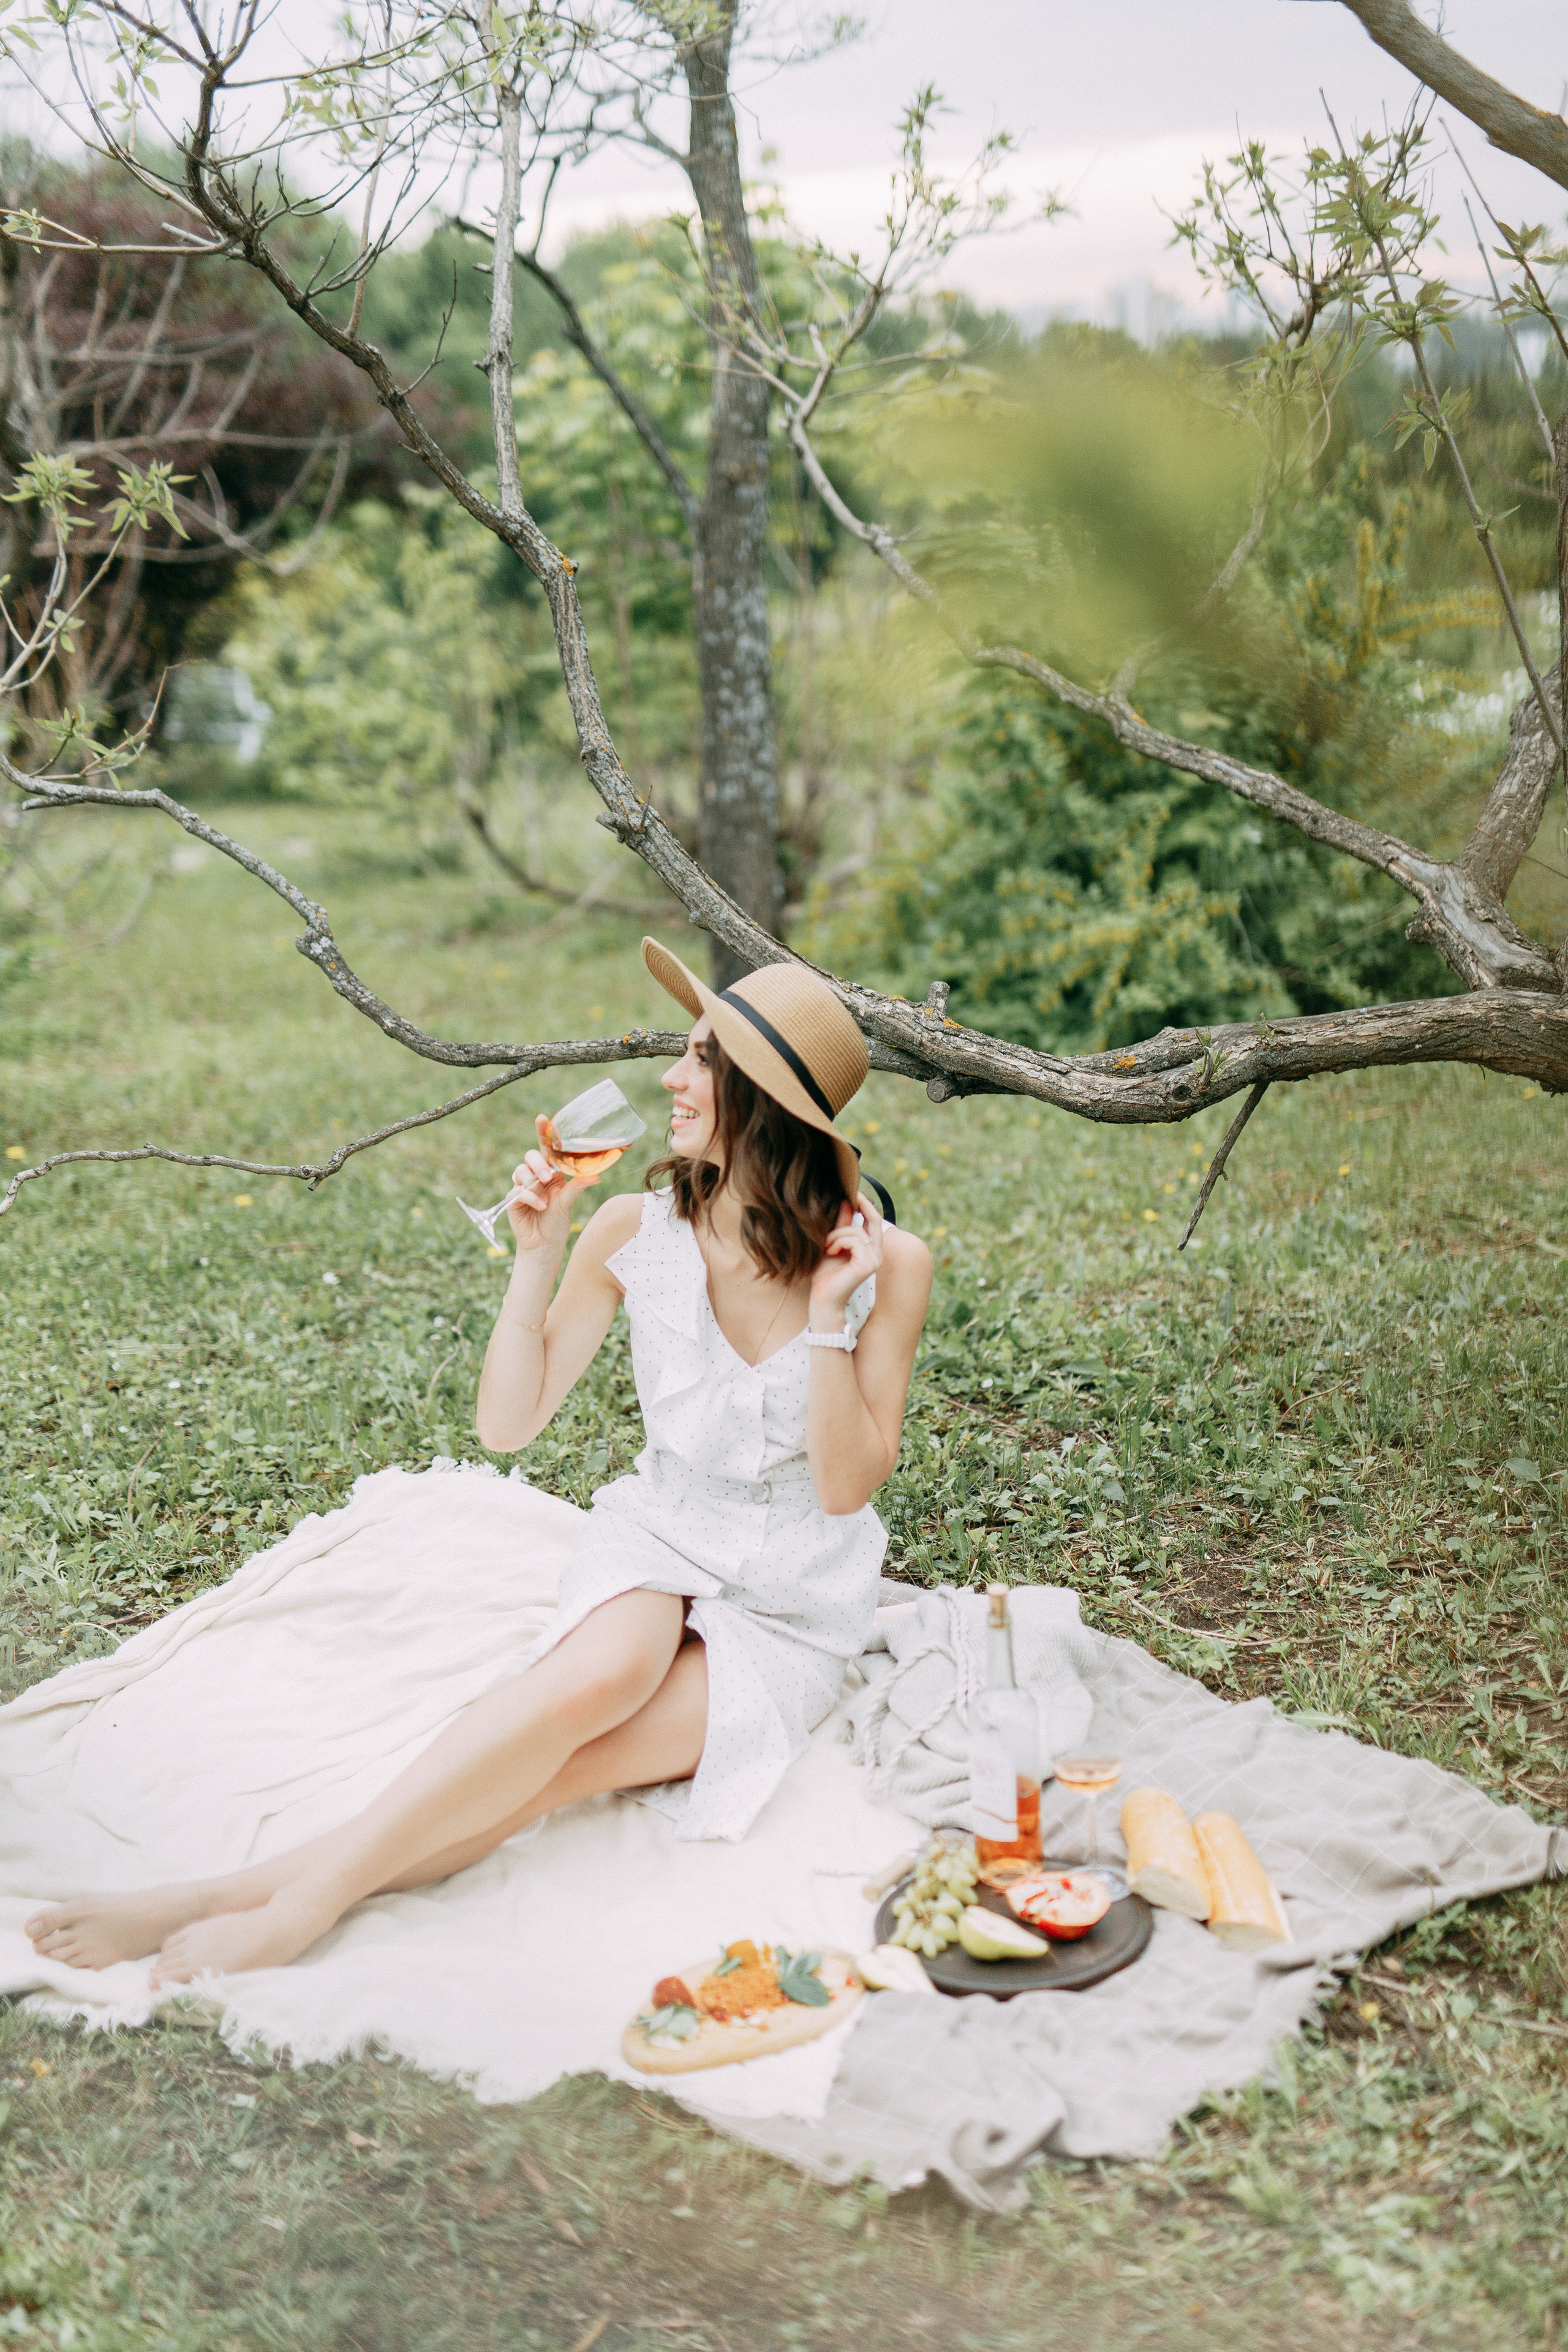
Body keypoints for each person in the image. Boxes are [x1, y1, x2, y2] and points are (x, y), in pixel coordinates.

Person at [26, 940, 932, 1983]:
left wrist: (826, 1321)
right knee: (592, 1683)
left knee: (564, 1772)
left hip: (793, 1596)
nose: (672, 1079)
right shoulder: (634, 1228)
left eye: (700, 1061)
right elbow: (509, 1424)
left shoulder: (886, 1267)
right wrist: (537, 1255)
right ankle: (276, 1906)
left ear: (764, 1101)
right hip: (668, 1529)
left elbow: (844, 1488)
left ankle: (261, 1898)